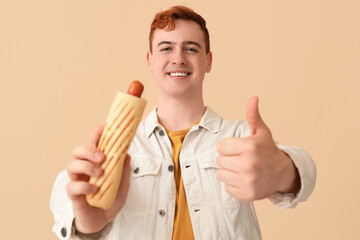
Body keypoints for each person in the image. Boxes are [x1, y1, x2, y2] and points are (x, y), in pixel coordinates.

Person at [50, 5, 316, 240]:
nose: (178, 58)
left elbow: (303, 168)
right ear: (150, 61)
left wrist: (282, 171)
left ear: (208, 61)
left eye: (191, 48)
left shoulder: (238, 137)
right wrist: (87, 224)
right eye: (166, 48)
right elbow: (64, 196)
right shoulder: (119, 151)